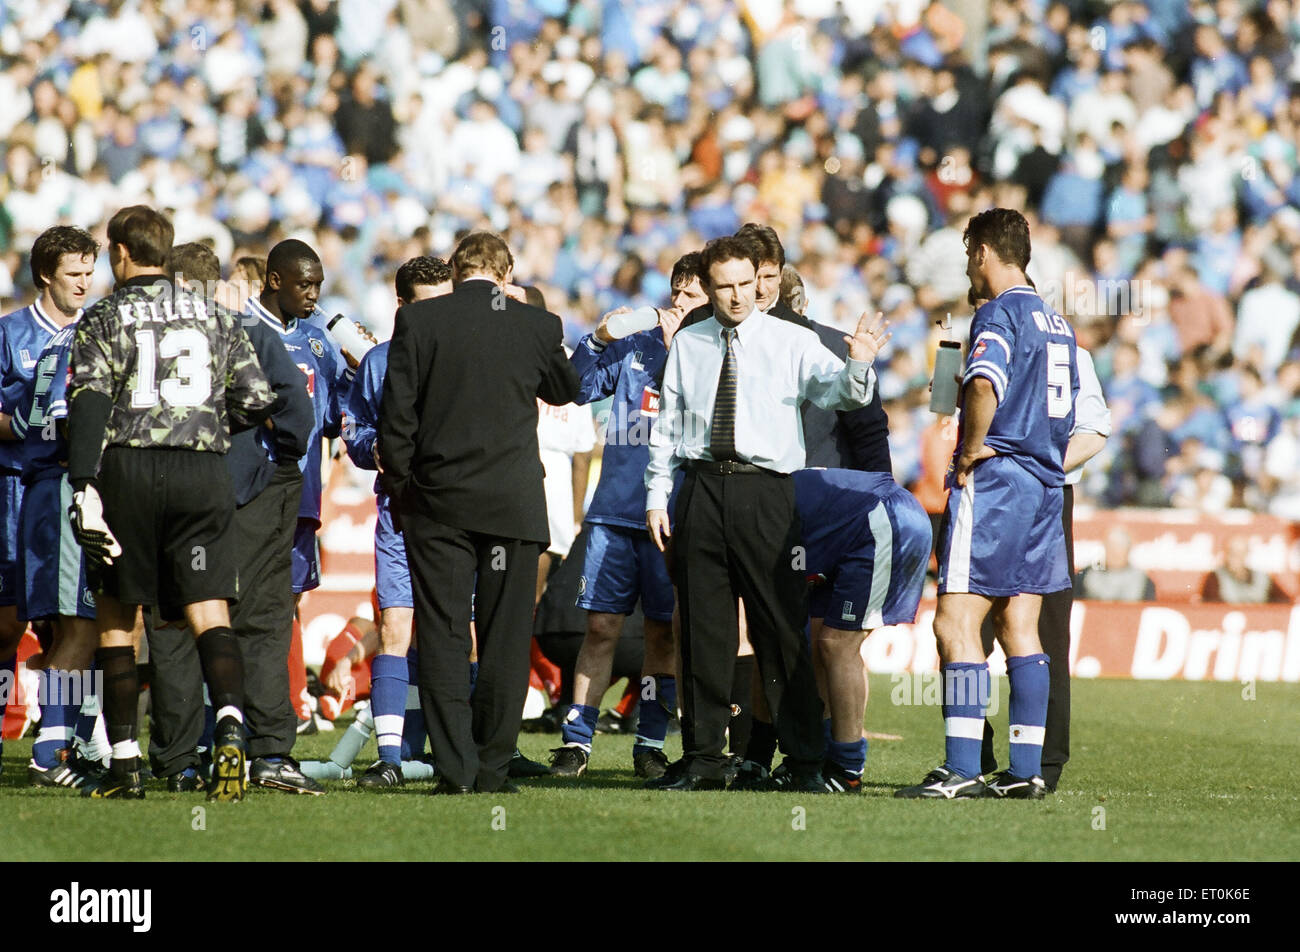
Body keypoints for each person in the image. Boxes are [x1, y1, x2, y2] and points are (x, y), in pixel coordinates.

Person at [644, 235, 888, 791]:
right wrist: (658, 494)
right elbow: (669, 426)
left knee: (780, 632)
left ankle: (803, 762)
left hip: (768, 494)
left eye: (744, 284)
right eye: (724, 286)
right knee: (702, 635)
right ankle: (704, 759)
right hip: (700, 490)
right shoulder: (689, 342)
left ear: (760, 281)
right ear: (707, 288)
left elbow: (840, 395)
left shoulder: (789, 340)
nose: (736, 297)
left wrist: (860, 364)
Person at [66, 205, 278, 800]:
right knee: (210, 610)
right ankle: (232, 732)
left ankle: (126, 765)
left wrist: (83, 485)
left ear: (120, 253)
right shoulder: (215, 313)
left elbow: (87, 403)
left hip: (127, 468)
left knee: (117, 616)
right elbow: (259, 398)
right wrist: (208, 426)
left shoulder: (105, 314)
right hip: (202, 471)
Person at [378, 231, 580, 795]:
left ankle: (455, 771)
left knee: (442, 635)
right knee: (505, 639)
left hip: (438, 505)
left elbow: (397, 422)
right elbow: (568, 390)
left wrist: (402, 488)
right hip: (512, 507)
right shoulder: (537, 325)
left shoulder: (420, 323)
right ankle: (492, 768)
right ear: (506, 272)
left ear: (453, 268)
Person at [896, 207, 1078, 801]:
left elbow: (981, 384)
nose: (966, 268)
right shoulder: (1057, 323)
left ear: (982, 252)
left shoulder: (997, 314)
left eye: (967, 254)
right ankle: (1026, 770)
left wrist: (971, 450)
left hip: (997, 481)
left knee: (954, 622)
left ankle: (963, 766)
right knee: (1021, 625)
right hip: (1046, 485)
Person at [142, 242, 319, 795]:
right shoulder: (246, 330)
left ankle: (176, 760)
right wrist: (274, 456)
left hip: (164, 487)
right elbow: (295, 410)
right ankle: (266, 752)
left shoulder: (141, 335)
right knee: (260, 617)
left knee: (172, 621)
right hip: (245, 489)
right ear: (218, 284)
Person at [549, 251, 707, 781]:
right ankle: (576, 741)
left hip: (673, 518)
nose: (677, 303)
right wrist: (596, 340)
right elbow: (572, 390)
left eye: (690, 295)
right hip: (614, 513)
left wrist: (676, 353)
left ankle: (649, 744)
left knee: (663, 633)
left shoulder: (713, 354)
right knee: (600, 627)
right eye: (676, 292)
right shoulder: (635, 347)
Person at [342, 255, 453, 788]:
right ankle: (390, 756)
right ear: (403, 307)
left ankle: (458, 750)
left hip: (458, 514)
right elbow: (356, 431)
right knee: (396, 627)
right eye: (429, 306)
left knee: (458, 634)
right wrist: (376, 448)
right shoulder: (380, 363)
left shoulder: (468, 357)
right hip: (398, 513)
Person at [980, 344, 1110, 791]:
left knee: (1046, 630)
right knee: (963, 629)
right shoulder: (980, 343)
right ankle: (970, 755)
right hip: (984, 494)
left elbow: (1095, 431)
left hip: (1045, 498)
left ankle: (1041, 763)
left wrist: (1034, 468)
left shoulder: (1072, 354)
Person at [243, 239, 357, 733]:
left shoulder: (317, 341)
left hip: (302, 492)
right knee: (241, 598)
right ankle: (232, 712)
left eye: (318, 286)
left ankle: (284, 706)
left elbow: (337, 418)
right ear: (274, 281)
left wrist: (359, 369)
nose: (313, 295)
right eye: (303, 284)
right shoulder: (242, 332)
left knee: (286, 600)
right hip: (247, 489)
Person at [6, 226, 101, 787]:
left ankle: (73, 738)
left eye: (91, 273)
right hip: (43, 486)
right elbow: (50, 420)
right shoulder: (22, 336)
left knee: (86, 623)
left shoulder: (89, 333)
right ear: (46, 274)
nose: (85, 285)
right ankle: (48, 749)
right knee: (62, 627)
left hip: (65, 489)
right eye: (74, 274)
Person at [1199, 536, 1291, 604]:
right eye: (1232, 552)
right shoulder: (1214, 578)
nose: (1236, 557)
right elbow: (1210, 606)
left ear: (1247, 554)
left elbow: (1284, 601)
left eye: (1241, 553)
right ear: (1225, 553)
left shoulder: (1263, 577)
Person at [1074, 527, 1156, 602]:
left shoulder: (1143, 581)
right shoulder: (1086, 575)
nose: (1114, 554)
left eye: (1119, 549)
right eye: (1111, 548)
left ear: (1128, 550)